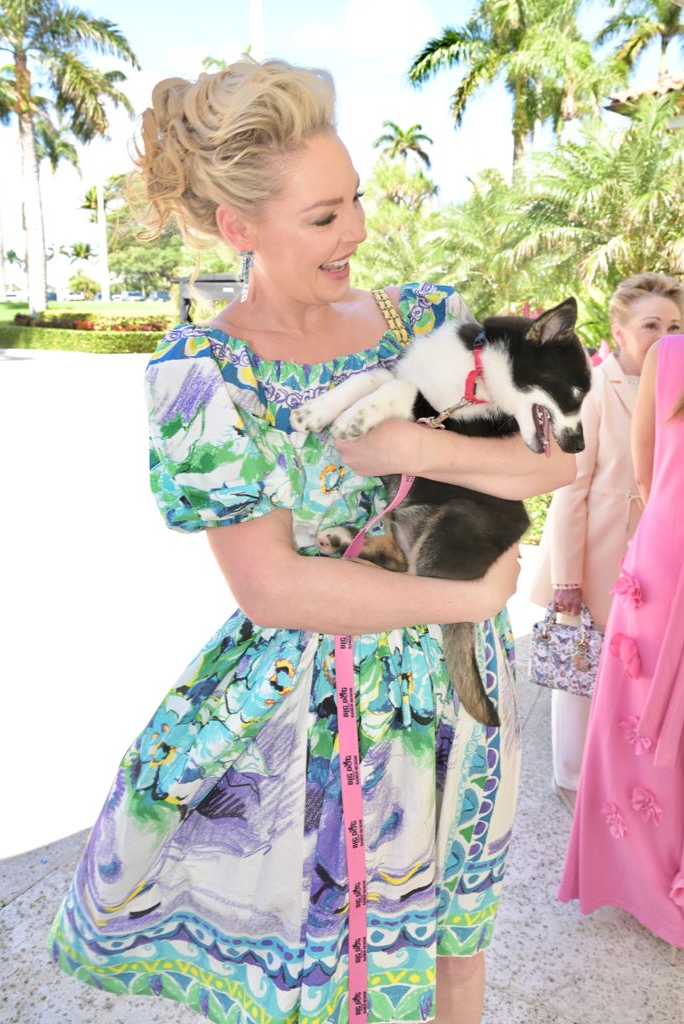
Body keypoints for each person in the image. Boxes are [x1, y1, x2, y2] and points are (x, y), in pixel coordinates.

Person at [47, 59, 575, 1024]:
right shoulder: (206, 375)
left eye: (357, 201)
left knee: (459, 944)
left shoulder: (421, 317)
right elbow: (275, 589)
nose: (360, 232)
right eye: (325, 217)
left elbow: (554, 464)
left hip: (461, 693)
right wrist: (463, 599)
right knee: (325, 983)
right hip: (319, 713)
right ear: (240, 228)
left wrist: (411, 441)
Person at [530, 273, 683, 810]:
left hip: (657, 561)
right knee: (578, 670)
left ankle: (618, 772)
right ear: (619, 332)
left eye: (674, 326)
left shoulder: (677, 389)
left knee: (628, 670)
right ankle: (569, 779)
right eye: (651, 326)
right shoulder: (592, 390)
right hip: (596, 556)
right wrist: (567, 580)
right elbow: (572, 489)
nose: (664, 337)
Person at [558, 332, 684, 948]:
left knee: (636, 722)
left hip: (663, 551)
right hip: (661, 570)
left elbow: (647, 474)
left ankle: (645, 879)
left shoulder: (668, 357)